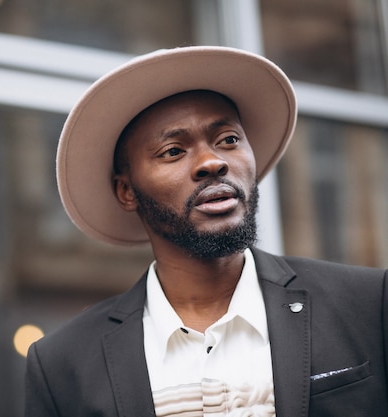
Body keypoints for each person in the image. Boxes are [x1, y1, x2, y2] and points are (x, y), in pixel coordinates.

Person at [24, 46, 388, 417]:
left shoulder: (369, 304)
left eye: (228, 140)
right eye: (173, 151)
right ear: (127, 191)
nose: (212, 162)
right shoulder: (61, 364)